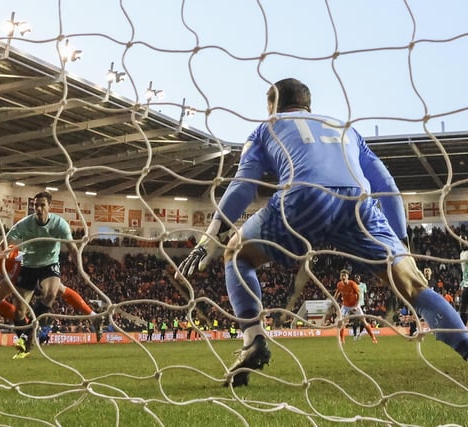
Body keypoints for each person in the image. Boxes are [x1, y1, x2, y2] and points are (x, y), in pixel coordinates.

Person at [178, 78, 468, 387]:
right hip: (358, 204)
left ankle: (254, 339)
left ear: (273, 106)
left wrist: (210, 238)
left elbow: (243, 185)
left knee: (237, 254)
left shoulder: (267, 128)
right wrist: (402, 243)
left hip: (303, 198)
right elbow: (388, 186)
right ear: (308, 105)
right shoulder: (347, 129)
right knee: (414, 287)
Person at [0, 191, 102, 359]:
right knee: (19, 312)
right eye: (36, 205)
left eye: (42, 205)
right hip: (28, 266)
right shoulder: (24, 225)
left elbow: (72, 249)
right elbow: (3, 245)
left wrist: (81, 269)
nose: (38, 208)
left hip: (49, 265)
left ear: (49, 206)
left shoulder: (60, 224)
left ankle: (31, 331)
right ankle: (26, 343)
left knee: (51, 293)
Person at [334, 269, 377, 344]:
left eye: (345, 275)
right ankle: (342, 339)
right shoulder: (339, 284)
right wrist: (334, 300)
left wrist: (356, 305)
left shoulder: (352, 284)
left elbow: (359, 294)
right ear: (340, 277)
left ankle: (373, 338)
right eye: (342, 275)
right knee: (341, 322)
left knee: (363, 321)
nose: (343, 277)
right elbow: (337, 292)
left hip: (355, 305)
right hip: (345, 306)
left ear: (348, 276)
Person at [351, 273, 368, 340]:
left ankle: (360, 333)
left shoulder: (363, 285)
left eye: (358, 278)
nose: (357, 279)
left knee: (363, 321)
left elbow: (366, 295)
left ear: (360, 278)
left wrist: (368, 303)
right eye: (356, 278)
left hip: (362, 305)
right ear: (354, 279)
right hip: (355, 305)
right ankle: (355, 335)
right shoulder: (352, 286)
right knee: (355, 321)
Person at [459, 237, 468, 326]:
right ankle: (463, 325)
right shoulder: (462, 253)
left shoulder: (463, 254)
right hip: (465, 284)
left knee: (463, 306)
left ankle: (462, 325)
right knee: (463, 306)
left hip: (466, 285)